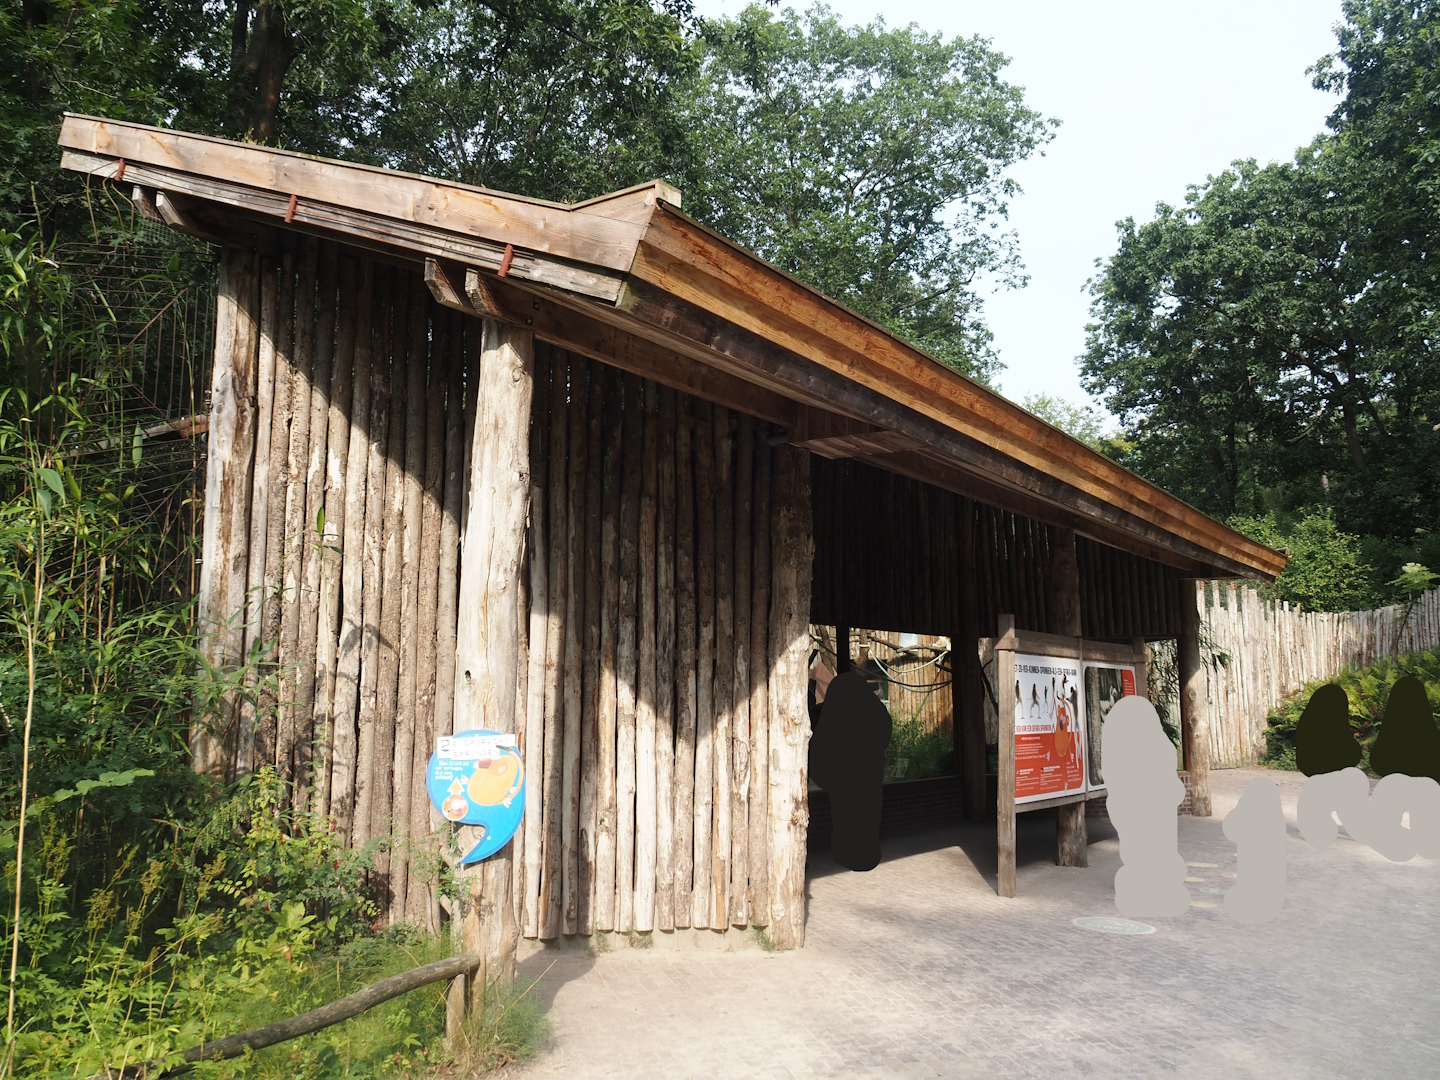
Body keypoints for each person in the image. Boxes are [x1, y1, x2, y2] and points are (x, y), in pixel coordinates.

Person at [809, 670, 893, 871]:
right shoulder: (876, 712)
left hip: (843, 777)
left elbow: (820, 742)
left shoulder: (834, 712)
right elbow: (884, 733)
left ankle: (846, 853)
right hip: (869, 775)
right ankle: (867, 853)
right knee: (869, 815)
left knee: (844, 816)